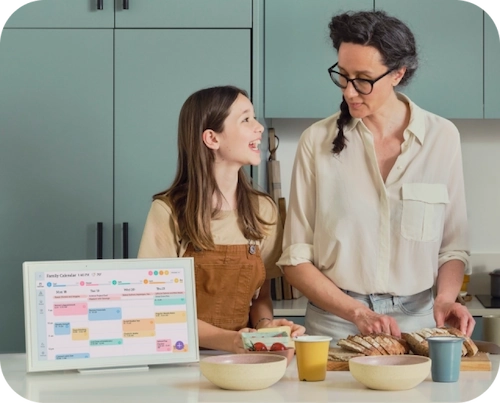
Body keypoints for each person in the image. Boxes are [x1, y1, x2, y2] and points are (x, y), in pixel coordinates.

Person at [277, 10, 475, 345]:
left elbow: (452, 247)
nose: (350, 92)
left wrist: (445, 299)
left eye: (363, 79)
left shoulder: (442, 137)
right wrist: (356, 312)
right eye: (343, 75)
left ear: (398, 73)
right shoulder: (317, 141)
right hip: (335, 323)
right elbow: (295, 258)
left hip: (418, 324)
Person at [138, 85, 305, 354]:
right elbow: (158, 308)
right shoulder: (169, 211)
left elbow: (260, 294)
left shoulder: (263, 210)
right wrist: (232, 341)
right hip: (180, 358)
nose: (259, 127)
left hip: (242, 357)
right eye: (246, 119)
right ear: (212, 139)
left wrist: (266, 328)